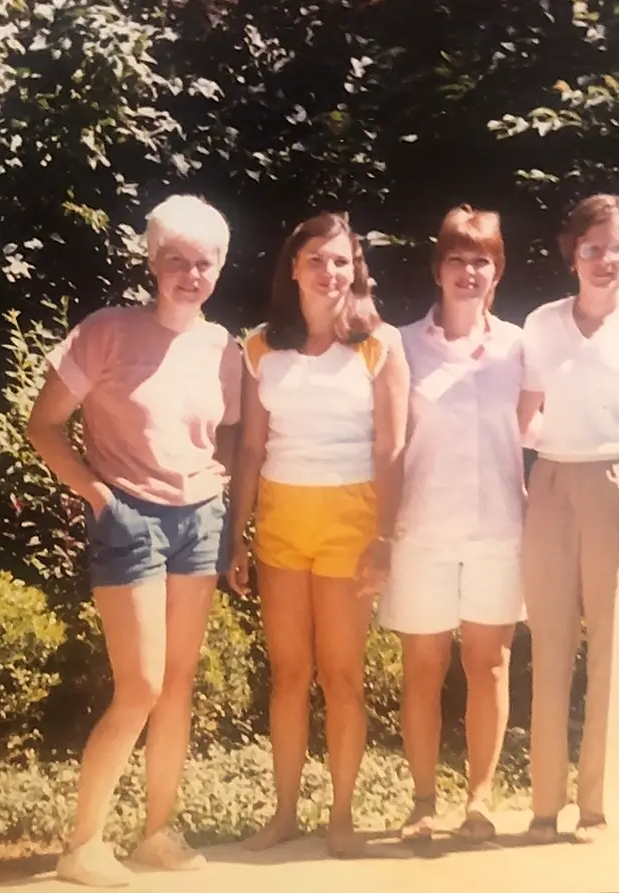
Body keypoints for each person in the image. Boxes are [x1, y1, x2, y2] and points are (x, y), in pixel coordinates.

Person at [27, 195, 242, 887]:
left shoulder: (225, 348)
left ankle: (156, 832)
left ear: (219, 268)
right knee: (141, 684)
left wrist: (222, 490)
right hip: (130, 520)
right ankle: (83, 842)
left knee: (176, 684)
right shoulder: (107, 332)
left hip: (199, 518)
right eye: (175, 258)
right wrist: (98, 496)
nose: (189, 272)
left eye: (203, 261)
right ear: (152, 262)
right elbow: (45, 425)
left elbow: (230, 433)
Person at [227, 212, 409, 858]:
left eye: (342, 260)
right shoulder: (259, 346)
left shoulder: (378, 343)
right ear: (293, 268)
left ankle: (341, 815)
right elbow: (249, 447)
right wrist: (235, 535)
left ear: (355, 267)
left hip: (351, 522)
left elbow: (392, 448)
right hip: (279, 519)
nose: (330, 272)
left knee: (342, 675)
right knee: (287, 673)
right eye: (317, 260)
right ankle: (282, 814)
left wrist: (385, 536)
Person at [518, 194, 619, 844]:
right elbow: (523, 415)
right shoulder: (540, 322)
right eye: (592, 246)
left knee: (612, 648)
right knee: (551, 646)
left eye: (617, 247)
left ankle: (596, 808)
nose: (604, 258)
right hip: (551, 482)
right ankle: (543, 803)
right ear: (573, 253)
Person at [378, 206, 527, 842]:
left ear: (497, 271)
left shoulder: (520, 346)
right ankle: (421, 801)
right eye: (458, 259)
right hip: (422, 529)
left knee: (489, 663)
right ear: (438, 268)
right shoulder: (400, 343)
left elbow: (533, 430)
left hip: (500, 528)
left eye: (483, 260)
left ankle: (481, 799)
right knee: (423, 667)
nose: (470, 271)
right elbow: (385, 443)